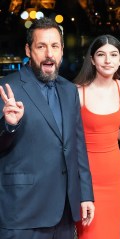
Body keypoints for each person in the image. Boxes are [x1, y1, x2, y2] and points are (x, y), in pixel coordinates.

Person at [0, 17, 95, 239]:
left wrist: (85, 195)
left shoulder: (69, 90)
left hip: (64, 212)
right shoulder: (7, 88)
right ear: (28, 50)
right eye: (41, 46)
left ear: (62, 50)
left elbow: (77, 146)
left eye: (54, 46)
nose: (49, 53)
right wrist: (9, 126)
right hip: (22, 211)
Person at [74, 34, 120, 239]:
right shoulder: (78, 93)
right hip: (87, 179)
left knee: (112, 233)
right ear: (92, 60)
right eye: (101, 54)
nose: (107, 60)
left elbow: (115, 129)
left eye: (113, 55)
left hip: (115, 175)